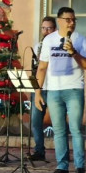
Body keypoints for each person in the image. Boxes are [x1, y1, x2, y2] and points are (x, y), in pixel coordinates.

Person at [35, 7, 86, 173]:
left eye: (74, 20)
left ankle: (80, 167)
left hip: (74, 89)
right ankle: (62, 166)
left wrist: (74, 53)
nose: (72, 23)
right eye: (68, 20)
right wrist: (38, 92)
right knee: (58, 130)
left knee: (75, 128)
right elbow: (42, 67)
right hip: (53, 90)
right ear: (59, 20)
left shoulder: (81, 40)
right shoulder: (49, 40)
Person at [28, 16, 56, 162]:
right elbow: (36, 69)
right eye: (43, 28)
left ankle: (62, 152)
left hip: (53, 87)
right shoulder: (38, 45)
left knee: (58, 122)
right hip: (39, 88)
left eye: (49, 28)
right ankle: (39, 151)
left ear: (55, 29)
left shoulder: (57, 44)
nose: (45, 31)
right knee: (35, 121)